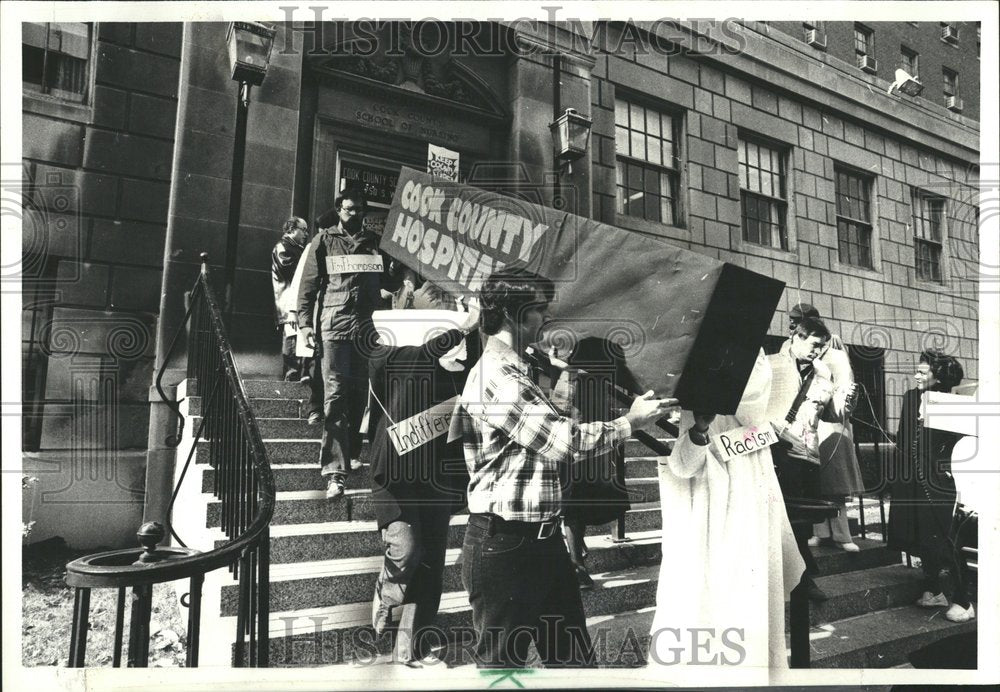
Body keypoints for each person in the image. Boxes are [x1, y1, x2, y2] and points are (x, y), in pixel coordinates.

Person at [456, 267, 677, 668]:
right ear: (511, 313)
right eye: (539, 310)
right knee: (502, 671)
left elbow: (557, 420)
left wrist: (562, 377)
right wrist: (633, 422)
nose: (546, 319)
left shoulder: (521, 369)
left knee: (574, 663)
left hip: (542, 540)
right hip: (504, 544)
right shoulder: (497, 376)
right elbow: (564, 441)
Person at [652, 351, 805, 672]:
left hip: (747, 495)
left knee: (741, 591)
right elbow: (684, 461)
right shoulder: (709, 373)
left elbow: (753, 409)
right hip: (712, 502)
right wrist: (698, 429)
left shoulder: (754, 359)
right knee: (714, 594)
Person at [368, 302, 479, 666]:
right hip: (395, 478)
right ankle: (386, 591)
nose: (458, 348)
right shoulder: (397, 360)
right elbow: (421, 356)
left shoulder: (458, 375)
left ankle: (411, 647)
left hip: (436, 480)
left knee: (430, 562)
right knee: (406, 549)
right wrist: (461, 328)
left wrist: (473, 332)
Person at [298, 190, 384, 500]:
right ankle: (334, 472)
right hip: (333, 327)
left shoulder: (375, 243)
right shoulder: (323, 241)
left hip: (366, 330)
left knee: (360, 394)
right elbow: (308, 286)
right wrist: (305, 324)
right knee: (335, 396)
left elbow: (391, 278)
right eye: (348, 210)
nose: (354, 214)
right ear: (338, 210)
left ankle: (350, 452)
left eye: (359, 210)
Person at [887, 350, 973, 623]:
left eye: (923, 372)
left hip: (939, 478)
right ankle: (934, 588)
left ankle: (963, 599)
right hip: (912, 476)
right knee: (921, 534)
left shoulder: (953, 402)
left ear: (939, 379)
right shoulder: (911, 398)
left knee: (944, 534)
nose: (916, 376)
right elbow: (903, 437)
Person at [766, 316, 840, 601]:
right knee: (780, 518)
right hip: (776, 451)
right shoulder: (770, 364)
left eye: (821, 347)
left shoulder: (821, 372)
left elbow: (831, 414)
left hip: (807, 454)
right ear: (795, 337)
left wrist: (836, 390)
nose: (817, 351)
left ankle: (801, 578)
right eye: (813, 345)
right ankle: (793, 579)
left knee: (803, 521)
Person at [780, 305, 863, 552]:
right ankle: (819, 532)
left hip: (830, 423)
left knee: (834, 481)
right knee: (811, 482)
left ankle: (842, 534)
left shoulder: (834, 354)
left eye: (797, 320)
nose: (791, 325)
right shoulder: (788, 348)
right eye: (791, 321)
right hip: (799, 423)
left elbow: (845, 389)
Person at [271, 217, 310, 381]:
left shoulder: (294, 248)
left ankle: (295, 373)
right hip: (288, 302)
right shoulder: (283, 247)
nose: (306, 233)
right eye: (303, 229)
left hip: (292, 301)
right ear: (292, 229)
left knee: (295, 337)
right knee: (292, 337)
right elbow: (292, 272)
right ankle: (291, 374)